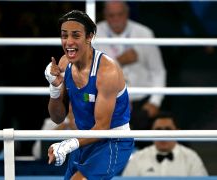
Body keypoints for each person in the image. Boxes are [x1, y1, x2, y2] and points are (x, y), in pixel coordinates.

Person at [44, 10, 134, 179]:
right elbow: (57, 118)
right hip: (85, 138)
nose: (69, 42)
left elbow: (102, 128)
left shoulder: (107, 71)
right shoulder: (64, 63)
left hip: (113, 140)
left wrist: (67, 145)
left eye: (75, 35)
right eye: (64, 36)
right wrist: (54, 88)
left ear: (89, 37)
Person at [95, 1, 166, 132]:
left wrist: (155, 102)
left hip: (142, 102)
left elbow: (158, 71)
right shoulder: (95, 35)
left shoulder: (144, 33)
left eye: (120, 14)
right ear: (104, 15)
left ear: (127, 13)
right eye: (111, 15)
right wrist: (118, 61)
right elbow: (90, 73)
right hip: (109, 102)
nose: (116, 19)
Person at [121, 111, 208, 176]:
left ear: (178, 132)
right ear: (151, 132)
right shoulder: (138, 158)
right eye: (158, 130)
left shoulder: (191, 158)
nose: (163, 134)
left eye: (168, 129)